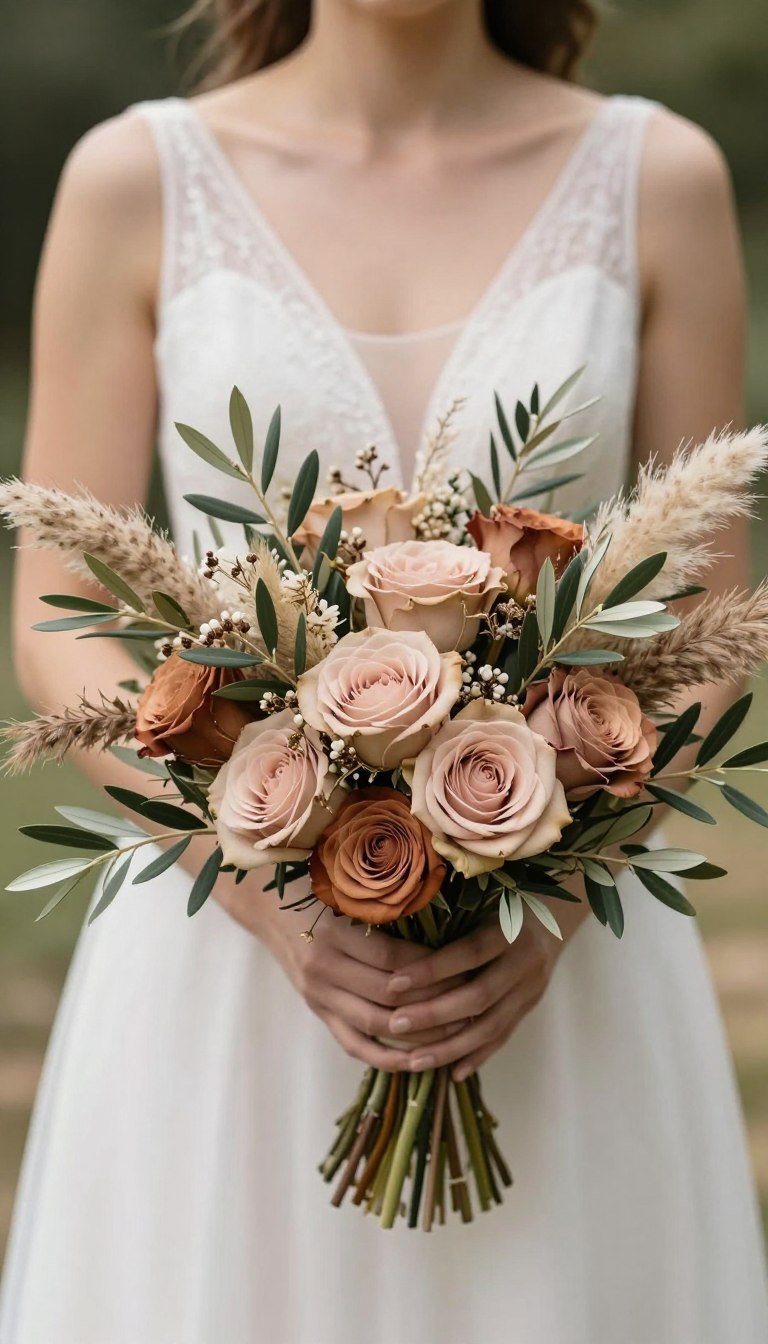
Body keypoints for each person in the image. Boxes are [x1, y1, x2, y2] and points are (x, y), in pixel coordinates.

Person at [2, 1, 767, 1340]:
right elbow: (59, 601)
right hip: (222, 970)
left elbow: (709, 615)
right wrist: (261, 896)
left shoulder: (661, 179)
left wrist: (562, 895)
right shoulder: (136, 179)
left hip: (559, 976)